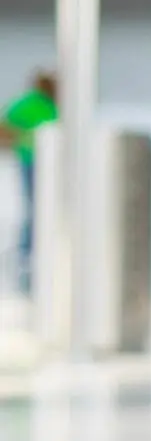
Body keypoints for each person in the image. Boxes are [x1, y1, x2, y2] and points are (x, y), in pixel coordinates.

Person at [0, 71, 58, 294]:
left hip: (51, 163)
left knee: (42, 209)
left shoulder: (51, 103)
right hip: (31, 161)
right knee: (35, 208)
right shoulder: (30, 102)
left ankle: (37, 251)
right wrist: (19, 139)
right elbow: (5, 126)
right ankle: (26, 254)